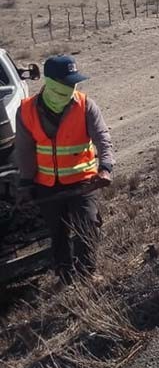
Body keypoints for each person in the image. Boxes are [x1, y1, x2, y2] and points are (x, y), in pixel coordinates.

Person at [15, 55, 114, 284]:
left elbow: (103, 138)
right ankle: (65, 276)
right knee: (57, 233)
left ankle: (87, 274)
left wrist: (106, 168)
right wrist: (25, 184)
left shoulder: (85, 104)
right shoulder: (27, 110)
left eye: (73, 83)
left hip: (83, 181)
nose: (71, 87)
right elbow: (24, 150)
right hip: (47, 186)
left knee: (87, 225)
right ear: (50, 82)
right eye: (65, 83)